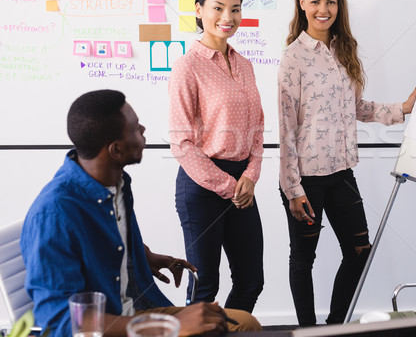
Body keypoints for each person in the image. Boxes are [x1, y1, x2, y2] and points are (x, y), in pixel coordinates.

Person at [21, 89, 261, 336]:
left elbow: (105, 239)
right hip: (116, 325)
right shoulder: (54, 215)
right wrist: (168, 326)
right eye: (135, 128)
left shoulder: (117, 184)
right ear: (115, 150)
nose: (144, 130)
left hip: (138, 309)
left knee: (245, 323)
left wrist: (144, 256)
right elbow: (62, 320)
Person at [278, 0, 416, 326]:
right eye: (315, 1)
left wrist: (401, 109)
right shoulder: (293, 58)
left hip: (341, 173)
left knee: (359, 252)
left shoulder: (344, 51)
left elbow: (357, 108)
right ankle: (308, 332)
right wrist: (293, 189)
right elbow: (285, 128)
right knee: (303, 259)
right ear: (302, 5)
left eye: (331, 1)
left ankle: (335, 328)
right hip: (305, 180)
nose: (323, 9)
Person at [169, 0, 265, 313]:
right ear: (199, 10)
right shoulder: (187, 66)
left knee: (251, 280)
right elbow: (181, 142)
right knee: (205, 286)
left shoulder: (245, 65)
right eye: (218, 8)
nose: (228, 16)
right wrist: (228, 185)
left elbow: (256, 128)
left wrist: (250, 176)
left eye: (235, 9)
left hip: (243, 183)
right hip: (203, 185)